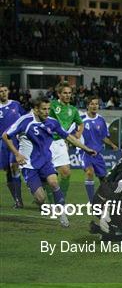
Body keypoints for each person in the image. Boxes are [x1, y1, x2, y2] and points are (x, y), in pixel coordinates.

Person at [2, 98, 96, 227]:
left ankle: (62, 212)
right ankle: (44, 205)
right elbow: (5, 136)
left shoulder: (52, 122)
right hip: (29, 165)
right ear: (36, 109)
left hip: (46, 162)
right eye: (43, 109)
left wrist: (86, 149)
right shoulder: (25, 121)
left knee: (54, 182)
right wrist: (17, 154)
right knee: (40, 198)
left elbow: (68, 136)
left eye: (48, 109)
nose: (47, 112)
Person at [48, 82, 84, 201]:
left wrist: (78, 133)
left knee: (66, 173)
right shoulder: (51, 106)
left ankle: (60, 198)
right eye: (65, 93)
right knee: (48, 174)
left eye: (69, 93)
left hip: (60, 143)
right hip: (47, 142)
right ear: (59, 94)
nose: (68, 95)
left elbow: (81, 123)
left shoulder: (73, 110)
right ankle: (49, 199)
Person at [80, 95, 119, 202]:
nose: (94, 106)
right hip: (85, 152)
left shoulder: (101, 120)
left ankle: (107, 199)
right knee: (89, 172)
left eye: (96, 104)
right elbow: (73, 134)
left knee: (104, 179)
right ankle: (92, 201)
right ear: (87, 105)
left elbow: (103, 137)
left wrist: (112, 144)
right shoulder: (81, 120)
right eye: (92, 104)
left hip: (97, 154)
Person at [0, 84, 26, 208]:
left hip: (15, 140)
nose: (3, 93)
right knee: (8, 172)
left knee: (14, 167)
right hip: (2, 143)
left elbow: (26, 118)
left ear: (8, 92)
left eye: (5, 91)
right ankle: (16, 199)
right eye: (1, 91)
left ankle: (19, 199)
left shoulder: (16, 104)